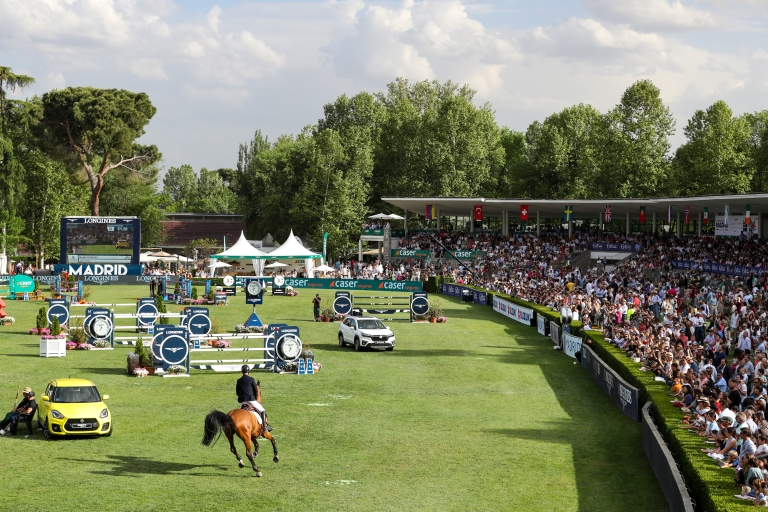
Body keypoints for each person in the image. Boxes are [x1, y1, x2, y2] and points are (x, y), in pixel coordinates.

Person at [236, 365, 271, 432]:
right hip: (251, 400)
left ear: (242, 371)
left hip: (242, 402)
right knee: (262, 410)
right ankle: (265, 428)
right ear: (248, 371)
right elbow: (256, 390)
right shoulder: (251, 379)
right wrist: (255, 397)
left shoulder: (239, 380)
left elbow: (237, 393)